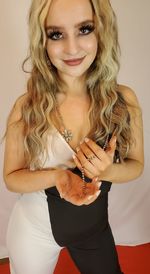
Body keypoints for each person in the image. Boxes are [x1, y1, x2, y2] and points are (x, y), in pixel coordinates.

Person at [3, 0, 144, 273]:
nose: (71, 48)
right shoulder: (27, 106)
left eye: (84, 29)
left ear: (101, 30)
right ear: (41, 41)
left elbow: (136, 166)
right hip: (33, 233)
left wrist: (107, 170)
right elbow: (11, 178)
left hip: (93, 230)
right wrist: (58, 177)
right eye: (56, 34)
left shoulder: (123, 101)